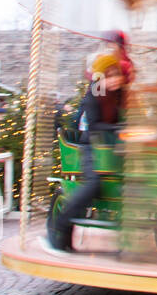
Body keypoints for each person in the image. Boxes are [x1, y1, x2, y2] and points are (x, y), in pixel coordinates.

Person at [50, 55, 126, 252]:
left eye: (117, 75)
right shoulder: (95, 94)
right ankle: (62, 222)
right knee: (94, 183)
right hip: (92, 145)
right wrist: (118, 128)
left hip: (114, 147)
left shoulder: (120, 95)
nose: (116, 79)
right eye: (111, 75)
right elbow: (93, 125)